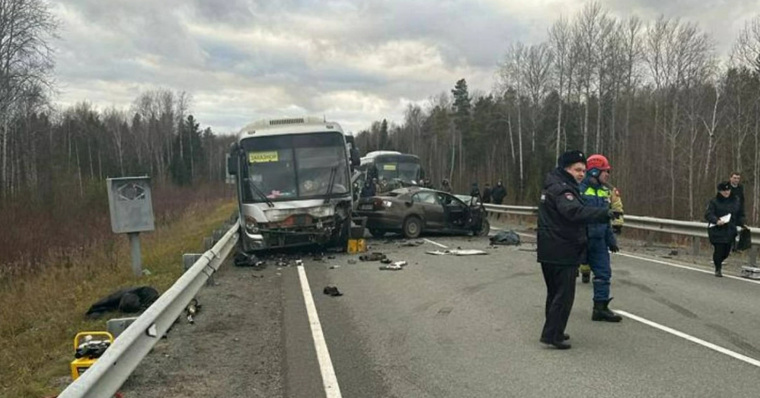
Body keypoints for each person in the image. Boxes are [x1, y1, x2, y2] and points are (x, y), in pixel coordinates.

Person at [537, 150, 618, 349]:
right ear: (566, 169)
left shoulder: (555, 185)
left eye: (583, 169)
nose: (581, 173)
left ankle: (555, 330)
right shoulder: (564, 190)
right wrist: (602, 214)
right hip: (562, 248)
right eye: (577, 169)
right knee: (563, 295)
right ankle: (551, 335)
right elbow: (572, 211)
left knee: (555, 293)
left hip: (553, 246)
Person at [579, 154, 622, 322]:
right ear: (595, 171)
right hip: (580, 239)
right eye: (605, 171)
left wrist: (611, 240)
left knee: (604, 274)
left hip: (599, 240)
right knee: (566, 276)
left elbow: (606, 219)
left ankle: (600, 308)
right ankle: (559, 308)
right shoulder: (579, 189)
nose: (608, 175)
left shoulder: (605, 192)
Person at [706, 181, 746, 277]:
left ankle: (719, 261)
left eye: (728, 190)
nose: (726, 192)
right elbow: (708, 214)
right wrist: (716, 220)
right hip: (717, 229)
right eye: (724, 191)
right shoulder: (714, 202)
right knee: (719, 249)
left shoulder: (735, 201)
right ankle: (718, 268)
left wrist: (742, 222)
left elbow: (740, 213)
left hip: (730, 229)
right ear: (720, 191)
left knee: (726, 251)